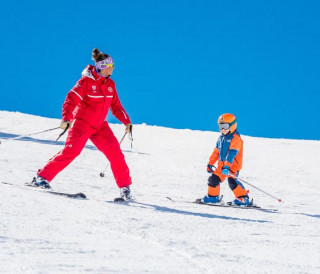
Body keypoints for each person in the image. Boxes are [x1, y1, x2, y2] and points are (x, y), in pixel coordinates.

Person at [31, 48, 133, 200]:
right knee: (71, 151)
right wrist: (66, 118)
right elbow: (71, 99)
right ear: (102, 67)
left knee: (116, 154)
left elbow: (116, 107)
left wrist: (127, 121)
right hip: (81, 124)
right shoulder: (85, 82)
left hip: (100, 127)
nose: (113, 69)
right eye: (110, 66)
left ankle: (125, 188)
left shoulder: (110, 84)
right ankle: (41, 178)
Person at [198, 113, 250, 206]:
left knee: (232, 182)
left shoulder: (236, 139)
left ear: (232, 125)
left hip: (232, 166)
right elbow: (216, 152)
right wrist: (210, 163)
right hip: (221, 166)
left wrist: (227, 167)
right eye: (220, 126)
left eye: (225, 126)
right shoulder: (221, 138)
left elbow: (231, 154)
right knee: (213, 179)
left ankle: (243, 198)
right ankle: (213, 197)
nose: (223, 129)